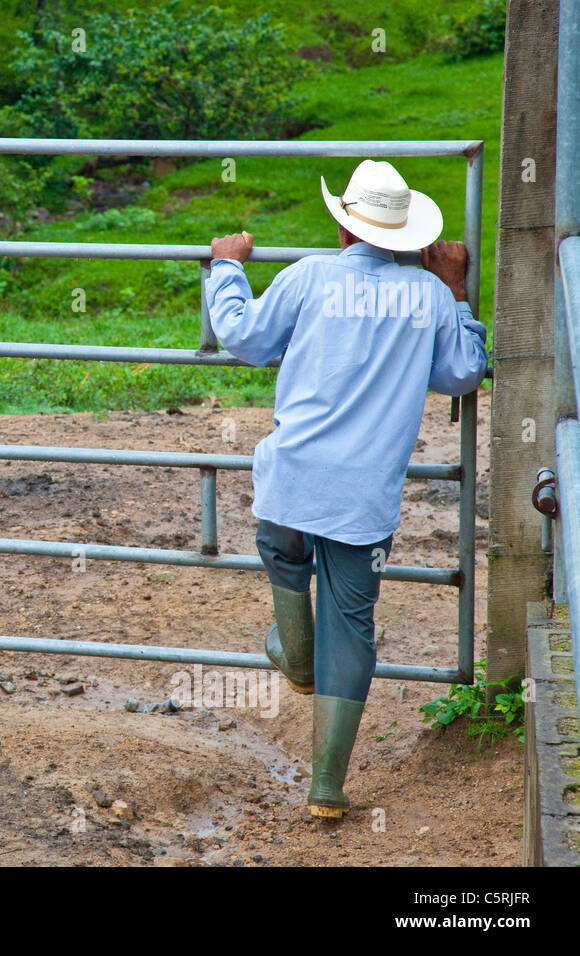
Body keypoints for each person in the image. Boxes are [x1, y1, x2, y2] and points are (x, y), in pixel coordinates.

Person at [204, 159, 488, 818]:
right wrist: (456, 292)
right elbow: (464, 373)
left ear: (342, 228)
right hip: (363, 500)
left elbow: (244, 338)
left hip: (292, 480)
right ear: (408, 239)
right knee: (353, 626)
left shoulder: (307, 278)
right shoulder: (426, 296)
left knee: (281, 553)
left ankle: (295, 656)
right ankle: (327, 786)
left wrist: (227, 267)